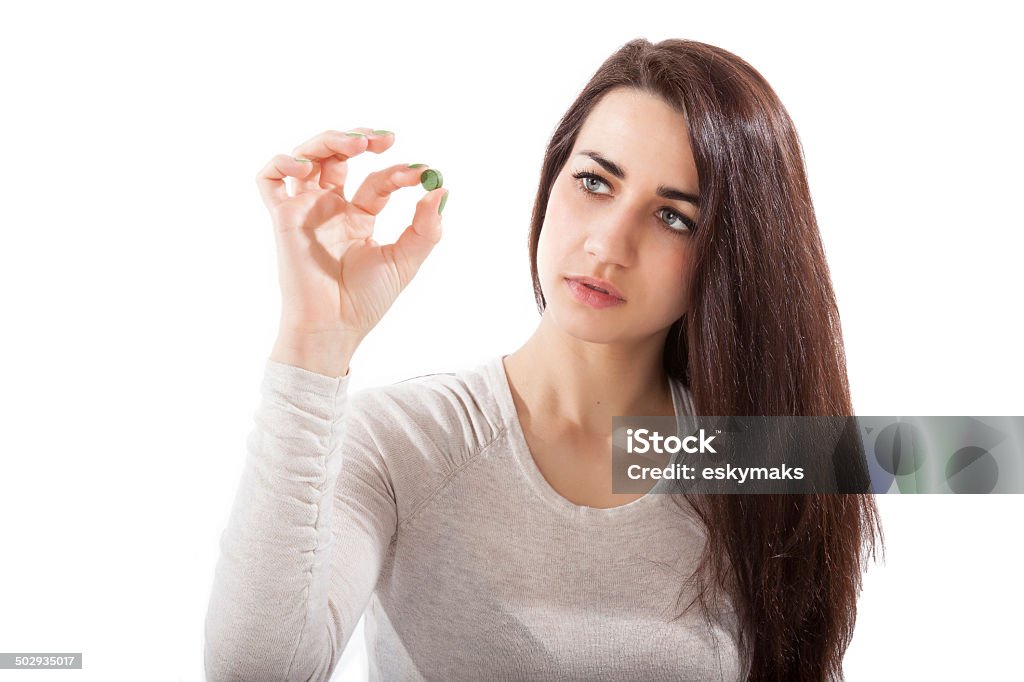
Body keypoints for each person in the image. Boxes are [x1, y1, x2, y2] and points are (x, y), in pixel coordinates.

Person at [204, 38, 883, 681]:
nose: (608, 245)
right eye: (594, 181)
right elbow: (257, 669)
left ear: (730, 255)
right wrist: (314, 337)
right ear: (552, 177)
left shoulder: (756, 458)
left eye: (674, 217)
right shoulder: (401, 443)